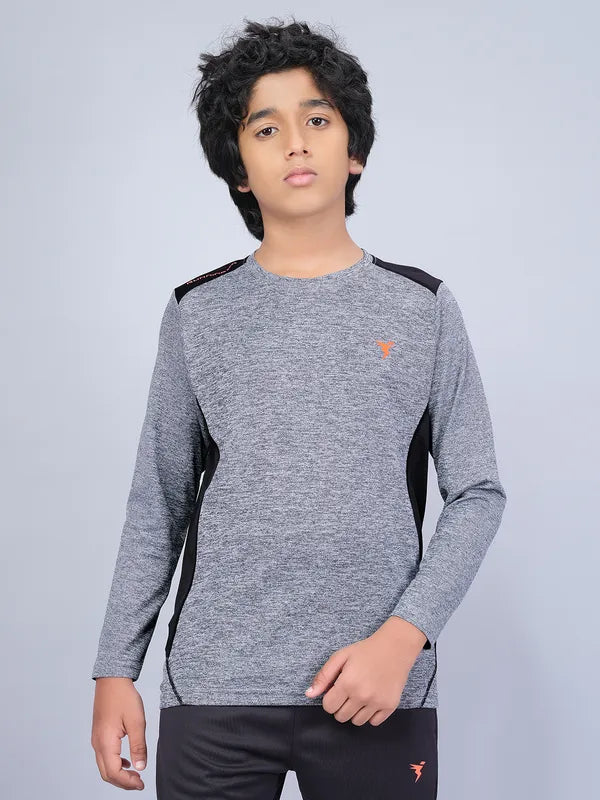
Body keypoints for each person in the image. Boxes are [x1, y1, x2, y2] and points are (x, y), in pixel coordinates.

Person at [90, 16, 507, 799]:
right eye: (265, 128)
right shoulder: (197, 314)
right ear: (239, 170)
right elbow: (159, 502)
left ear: (354, 151)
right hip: (214, 687)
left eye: (317, 120)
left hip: (377, 689)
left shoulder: (422, 308)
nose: (295, 143)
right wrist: (116, 668)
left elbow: (478, 493)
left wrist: (403, 639)